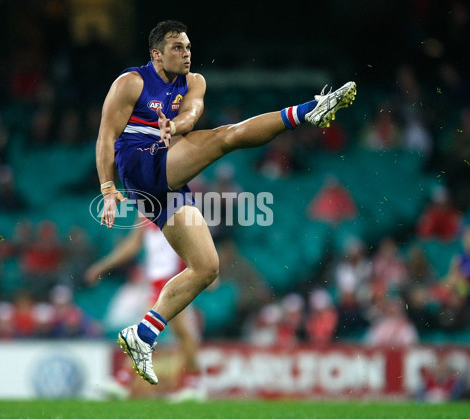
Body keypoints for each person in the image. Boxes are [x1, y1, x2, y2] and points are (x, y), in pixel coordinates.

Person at [95, 20, 356, 385]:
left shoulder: (194, 81)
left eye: (188, 47)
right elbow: (106, 135)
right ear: (156, 54)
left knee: (206, 268)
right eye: (177, 48)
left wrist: (177, 122)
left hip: (165, 175)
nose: (186, 53)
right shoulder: (131, 83)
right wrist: (108, 190)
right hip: (138, 165)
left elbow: (193, 112)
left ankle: (142, 335)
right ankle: (307, 111)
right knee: (224, 138)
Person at [86, 217, 203, 398]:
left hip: (173, 280)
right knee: (182, 333)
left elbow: (194, 238)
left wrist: (205, 267)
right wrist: (102, 267)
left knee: (146, 329)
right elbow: (132, 245)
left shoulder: (176, 207)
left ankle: (123, 382)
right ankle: (194, 385)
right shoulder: (144, 212)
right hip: (156, 282)